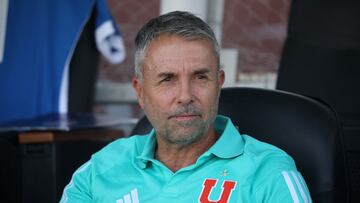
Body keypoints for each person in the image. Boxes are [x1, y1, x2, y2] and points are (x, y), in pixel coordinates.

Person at [61, 11, 312, 202]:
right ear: (140, 91)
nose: (185, 96)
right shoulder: (100, 170)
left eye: (200, 77)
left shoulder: (269, 174)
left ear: (219, 83)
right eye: (167, 79)